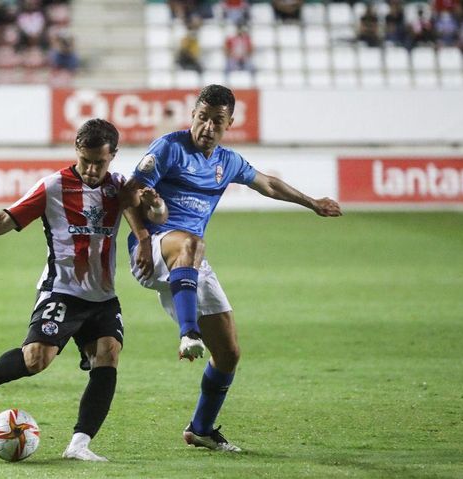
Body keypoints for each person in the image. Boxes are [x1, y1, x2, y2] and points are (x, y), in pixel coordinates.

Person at [0, 119, 167, 462]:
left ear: (114, 155)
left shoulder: (122, 188)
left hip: (102, 297)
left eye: (100, 162)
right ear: (76, 152)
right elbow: (5, 219)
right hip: (61, 291)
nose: (93, 169)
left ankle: (79, 445)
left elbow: (157, 216)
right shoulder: (53, 186)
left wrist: (153, 207)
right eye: (86, 160)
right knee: (36, 359)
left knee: (108, 354)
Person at [125, 85, 342, 452]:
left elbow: (268, 184)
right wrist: (144, 239)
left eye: (217, 121)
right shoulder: (169, 147)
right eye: (202, 117)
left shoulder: (228, 162)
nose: (207, 126)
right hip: (155, 249)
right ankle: (188, 332)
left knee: (228, 354)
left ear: (230, 123)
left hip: (189, 263)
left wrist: (312, 202)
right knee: (193, 243)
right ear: (192, 114)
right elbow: (128, 192)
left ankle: (201, 429)